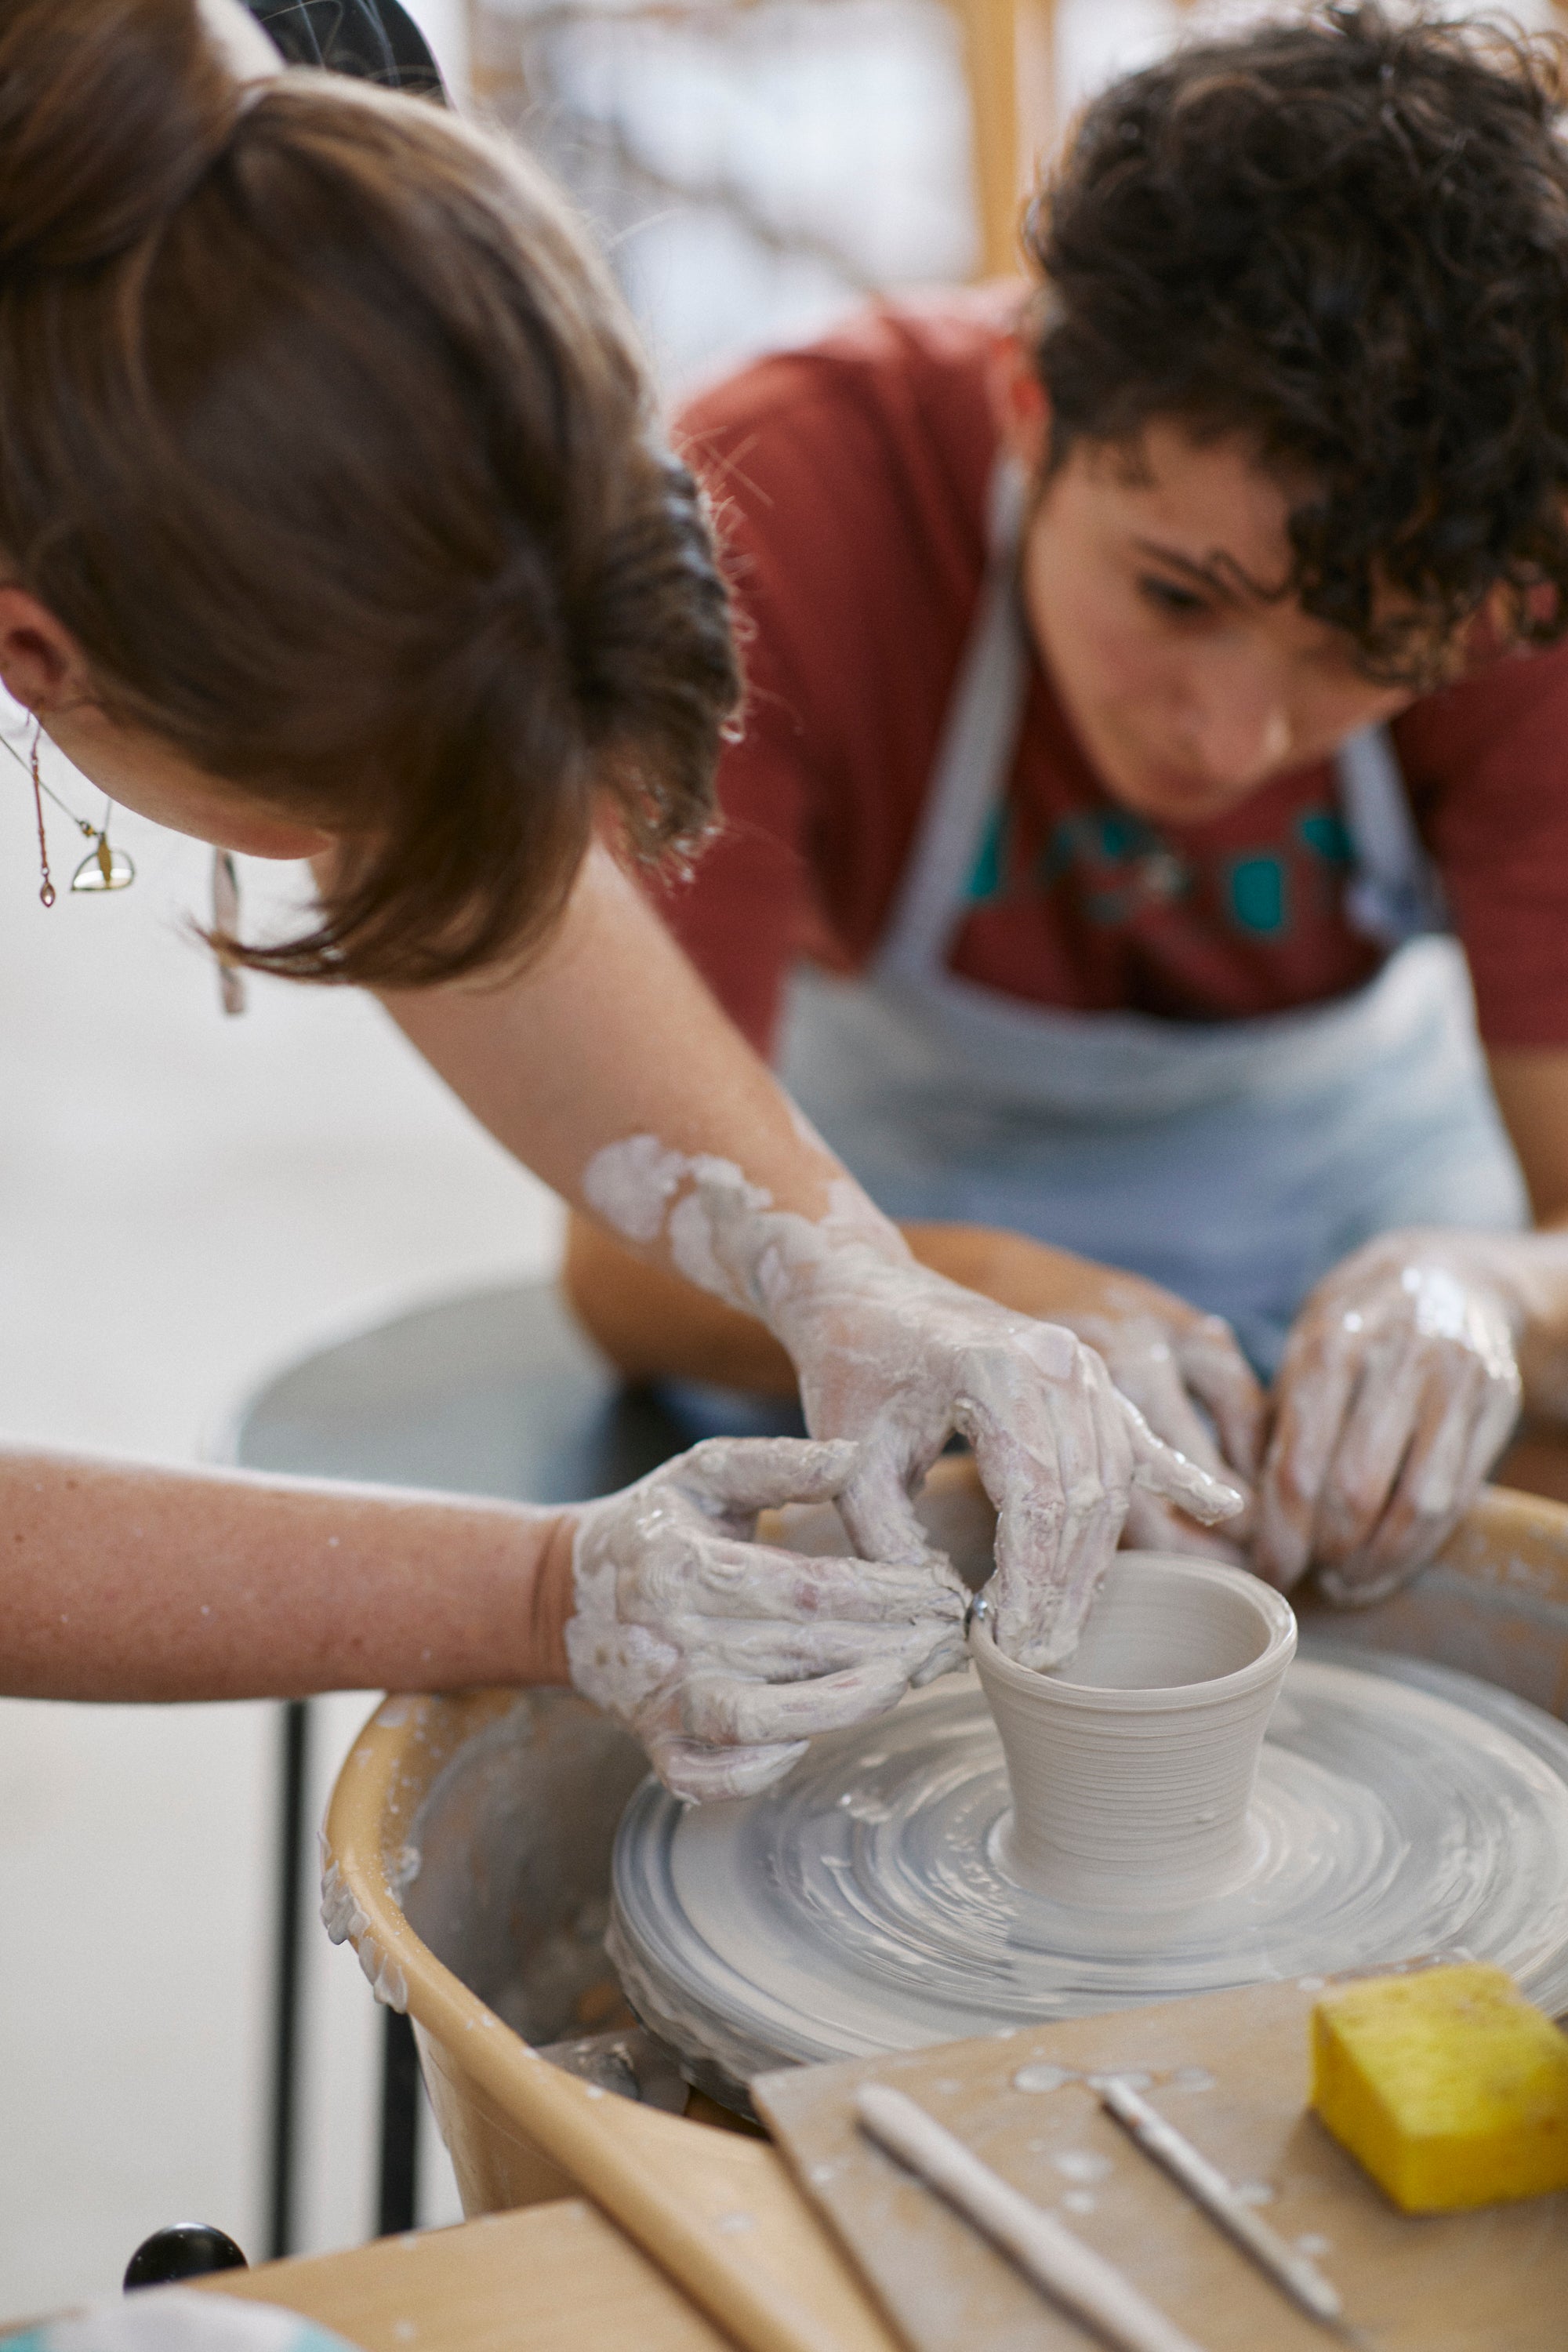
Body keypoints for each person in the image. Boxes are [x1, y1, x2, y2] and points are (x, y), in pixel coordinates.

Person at [0, 0, 1242, 1802]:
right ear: (35, 649)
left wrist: (840, 1273)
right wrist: (539, 1585)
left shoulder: (311, 132)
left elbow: (460, 806)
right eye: (360, 830)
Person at [565, 2, 1568, 1609]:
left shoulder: (1512, 587)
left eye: (1363, 658)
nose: (1233, 734)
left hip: (1346, 1231)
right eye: (1178, 595)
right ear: (1034, 407)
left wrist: (1491, 1295)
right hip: (883, 1225)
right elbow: (621, 1268)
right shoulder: (777, 519)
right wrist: (977, 1297)